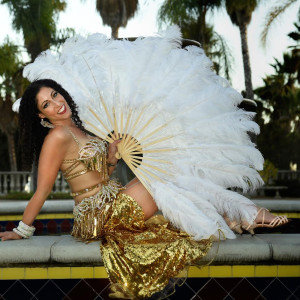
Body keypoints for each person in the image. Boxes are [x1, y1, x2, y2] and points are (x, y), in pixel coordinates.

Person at [0, 29, 289, 299]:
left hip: (112, 202)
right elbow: (43, 190)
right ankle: (243, 214)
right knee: (166, 179)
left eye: (54, 94)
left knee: (173, 174)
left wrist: (111, 157)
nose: (56, 102)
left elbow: (100, 174)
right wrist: (22, 230)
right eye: (46, 104)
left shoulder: (80, 129)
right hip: (97, 216)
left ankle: (237, 215)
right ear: (42, 116)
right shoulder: (56, 137)